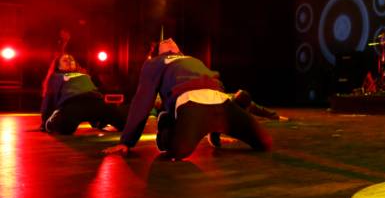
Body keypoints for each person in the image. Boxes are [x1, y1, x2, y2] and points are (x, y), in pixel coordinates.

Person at [102, 38, 273, 159]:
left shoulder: (193, 59)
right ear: (157, 52)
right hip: (191, 104)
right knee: (178, 151)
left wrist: (216, 131)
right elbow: (142, 99)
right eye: (163, 41)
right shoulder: (154, 63)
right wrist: (127, 141)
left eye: (171, 40)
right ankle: (166, 121)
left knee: (265, 143)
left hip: (222, 104)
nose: (168, 39)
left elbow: (214, 84)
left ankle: (213, 126)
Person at [40, 54, 126, 134]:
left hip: (94, 102)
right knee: (65, 129)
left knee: (122, 123)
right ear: (59, 66)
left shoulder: (84, 75)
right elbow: (49, 98)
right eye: (65, 60)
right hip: (73, 104)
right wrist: (44, 122)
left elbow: (94, 91)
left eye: (71, 60)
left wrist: (98, 121)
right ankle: (54, 123)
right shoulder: (56, 77)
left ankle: (100, 122)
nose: (69, 61)